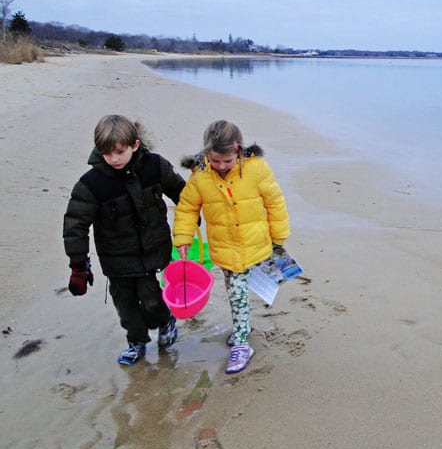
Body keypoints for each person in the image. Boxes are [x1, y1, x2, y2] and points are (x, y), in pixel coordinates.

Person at [63, 115, 186, 366]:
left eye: (120, 152)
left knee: (152, 300)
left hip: (151, 251)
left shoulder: (154, 167)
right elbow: (75, 224)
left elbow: (182, 194)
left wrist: (189, 221)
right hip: (116, 259)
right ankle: (136, 342)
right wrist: (78, 264)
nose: (114, 159)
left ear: (135, 145)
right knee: (125, 306)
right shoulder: (91, 184)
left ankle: (165, 321)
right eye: (107, 153)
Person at [173, 120, 290, 374]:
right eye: (216, 161)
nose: (222, 166)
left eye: (228, 161)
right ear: (206, 154)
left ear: (239, 151)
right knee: (233, 289)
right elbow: (187, 207)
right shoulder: (200, 175)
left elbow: (275, 202)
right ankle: (243, 326)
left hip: (254, 243)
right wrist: (182, 237)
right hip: (223, 248)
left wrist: (278, 236)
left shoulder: (256, 169)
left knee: (237, 291)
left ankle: (241, 343)